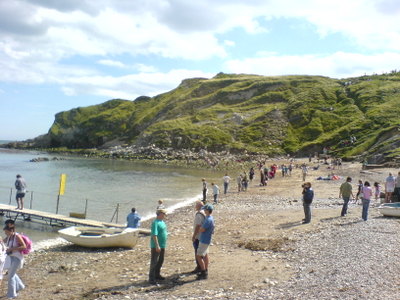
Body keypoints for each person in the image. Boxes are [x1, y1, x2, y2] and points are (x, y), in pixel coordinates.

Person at [4, 225, 26, 298]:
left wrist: (11, 249)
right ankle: (20, 286)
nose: (5, 233)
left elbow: (24, 246)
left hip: (17, 258)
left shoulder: (17, 236)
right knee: (11, 273)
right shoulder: (9, 236)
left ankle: (12, 294)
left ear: (12, 231)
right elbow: (3, 241)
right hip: (11, 257)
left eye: (6, 232)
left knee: (10, 276)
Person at [149, 209, 168, 285]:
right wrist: (157, 245)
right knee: (154, 261)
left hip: (162, 245)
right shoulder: (155, 223)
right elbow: (154, 235)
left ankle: (157, 274)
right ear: (159, 214)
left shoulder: (162, 222)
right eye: (164, 214)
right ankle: (151, 278)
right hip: (156, 246)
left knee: (161, 260)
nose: (165, 215)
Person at [196, 204, 215, 280]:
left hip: (204, 239)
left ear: (207, 211)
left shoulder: (208, 220)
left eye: (205, 210)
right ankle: (205, 269)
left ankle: (203, 272)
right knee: (205, 255)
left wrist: (200, 228)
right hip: (207, 239)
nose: (204, 211)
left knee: (199, 256)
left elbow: (202, 229)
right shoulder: (211, 218)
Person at [191, 201, 205, 274]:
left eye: (196, 205)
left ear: (199, 206)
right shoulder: (204, 212)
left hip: (198, 237)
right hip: (203, 236)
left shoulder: (199, 214)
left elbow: (198, 225)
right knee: (202, 253)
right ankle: (202, 266)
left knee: (197, 253)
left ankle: (199, 267)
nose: (195, 207)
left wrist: (194, 236)